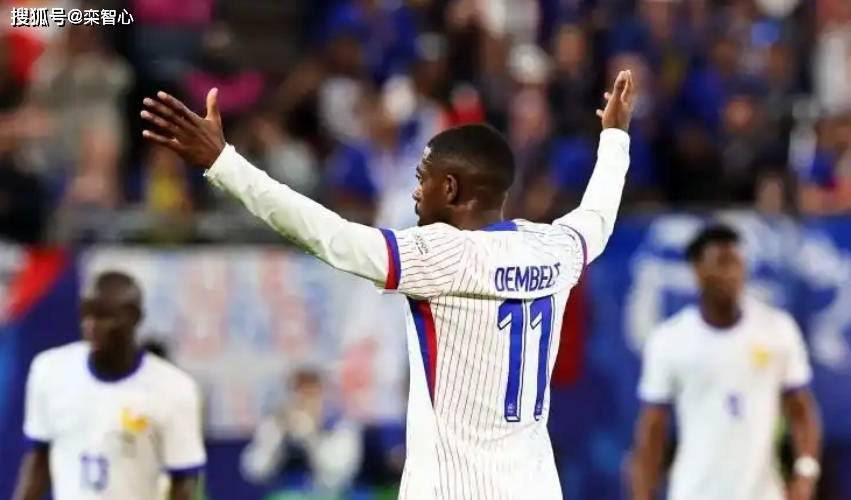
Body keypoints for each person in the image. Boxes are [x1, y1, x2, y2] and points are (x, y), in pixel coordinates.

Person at [139, 70, 635, 499]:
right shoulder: (554, 248)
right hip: (535, 486)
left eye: (422, 177)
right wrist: (615, 138)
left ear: (450, 188)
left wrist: (224, 164)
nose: (415, 192)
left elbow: (327, 235)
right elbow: (597, 216)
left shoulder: (441, 256)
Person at [629, 225, 823, 500]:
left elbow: (801, 409)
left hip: (763, 493)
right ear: (697, 271)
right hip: (694, 492)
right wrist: (642, 492)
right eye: (721, 263)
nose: (731, 273)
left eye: (736, 263)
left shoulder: (777, 329)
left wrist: (806, 471)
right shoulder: (670, 340)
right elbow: (653, 429)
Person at [13, 271, 206, 500]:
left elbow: (184, 482)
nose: (91, 326)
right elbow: (38, 460)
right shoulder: (49, 371)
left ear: (135, 317)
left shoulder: (175, 389)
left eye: (104, 317)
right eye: (85, 315)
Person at [240, 368, 362, 495]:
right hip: (285, 494)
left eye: (311, 394)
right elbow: (255, 471)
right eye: (298, 394)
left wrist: (311, 437)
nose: (304, 401)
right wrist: (272, 442)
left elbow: (337, 473)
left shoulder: (339, 425)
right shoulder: (277, 423)